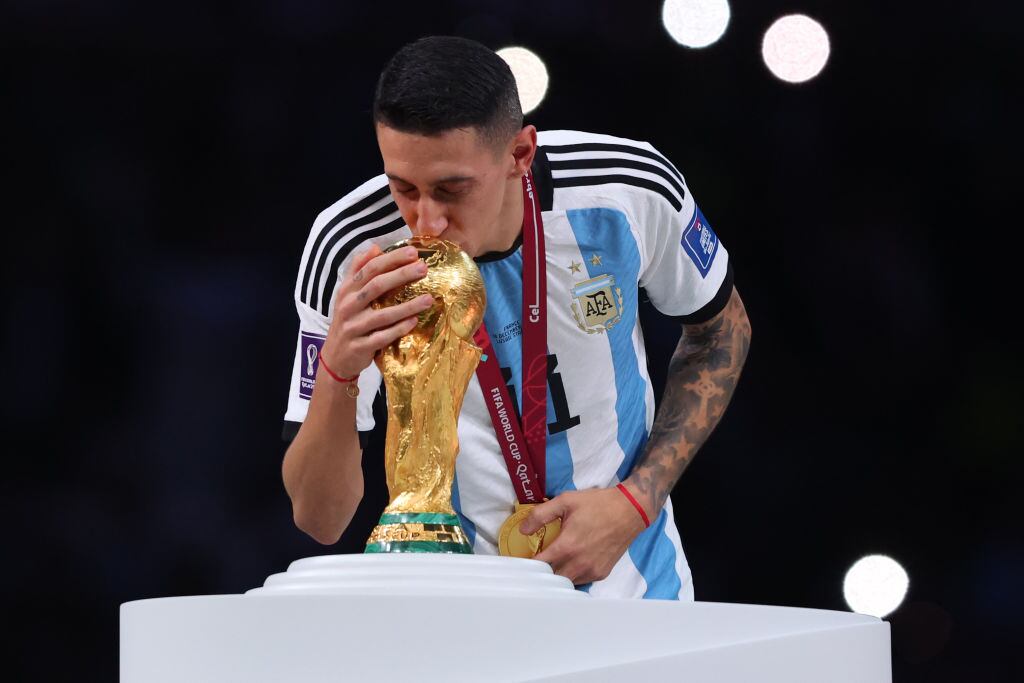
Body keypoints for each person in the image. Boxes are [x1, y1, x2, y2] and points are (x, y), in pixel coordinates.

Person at [281, 36, 751, 599]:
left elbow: (723, 330)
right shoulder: (350, 250)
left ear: (520, 155)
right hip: (457, 620)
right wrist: (337, 372)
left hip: (637, 598)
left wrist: (638, 501)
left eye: (452, 190)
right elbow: (320, 519)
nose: (426, 222)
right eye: (403, 188)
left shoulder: (626, 188)